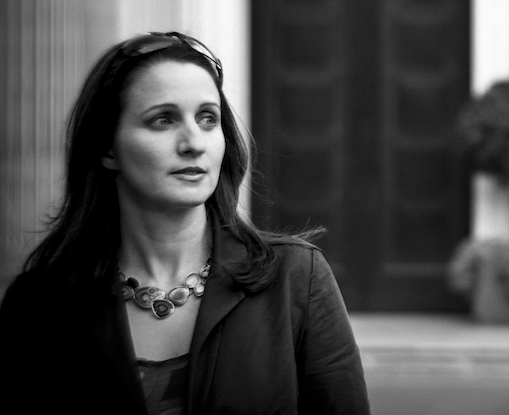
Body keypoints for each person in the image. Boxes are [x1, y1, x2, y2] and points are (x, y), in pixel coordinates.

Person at [0, 32, 371, 415]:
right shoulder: (41, 303)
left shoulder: (296, 279)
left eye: (208, 118)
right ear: (107, 148)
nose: (194, 142)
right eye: (163, 119)